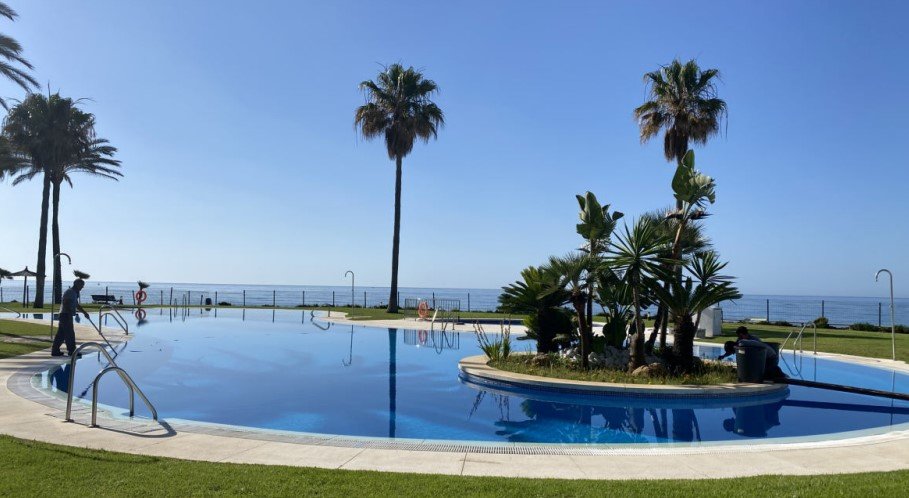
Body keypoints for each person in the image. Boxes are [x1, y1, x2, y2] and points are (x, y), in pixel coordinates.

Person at [51, 279, 90, 357]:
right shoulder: (70, 292)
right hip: (65, 315)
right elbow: (66, 303)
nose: (82, 287)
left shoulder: (74, 293)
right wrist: (69, 314)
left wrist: (84, 312)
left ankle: (55, 351)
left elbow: (76, 305)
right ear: (76, 284)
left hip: (65, 315)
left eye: (82, 285)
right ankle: (72, 351)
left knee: (61, 334)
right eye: (81, 285)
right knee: (70, 334)